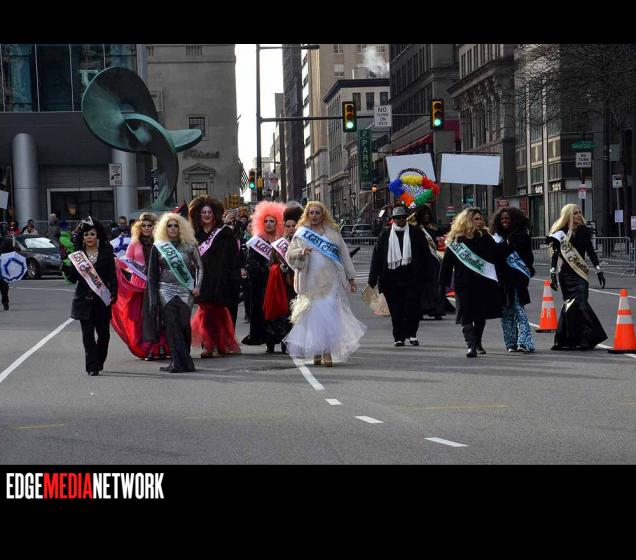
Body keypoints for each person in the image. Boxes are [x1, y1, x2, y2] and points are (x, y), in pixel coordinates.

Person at [284, 201, 366, 366]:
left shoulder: (333, 233)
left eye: (317, 213)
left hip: (331, 280)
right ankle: (317, 350)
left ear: (323, 215)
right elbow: (289, 255)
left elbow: (344, 255)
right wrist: (301, 252)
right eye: (311, 213)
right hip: (310, 280)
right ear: (307, 215)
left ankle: (327, 351)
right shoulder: (301, 233)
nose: (314, 216)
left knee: (329, 313)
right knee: (315, 315)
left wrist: (351, 278)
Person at [439, 207, 504, 358]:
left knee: (480, 316)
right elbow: (446, 265)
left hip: (483, 282)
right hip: (464, 284)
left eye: (480, 219)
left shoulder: (485, 237)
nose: (480, 221)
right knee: (466, 315)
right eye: (476, 219)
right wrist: (442, 285)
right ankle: (471, 345)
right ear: (467, 221)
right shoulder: (456, 241)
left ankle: (478, 342)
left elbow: (497, 256)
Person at [143, 213, 203, 373]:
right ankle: (178, 362)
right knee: (171, 326)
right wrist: (153, 297)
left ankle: (183, 360)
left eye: (176, 225)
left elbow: (200, 267)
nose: (173, 228)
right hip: (165, 289)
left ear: (181, 227)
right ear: (164, 228)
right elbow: (152, 274)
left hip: (185, 290)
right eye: (169, 226)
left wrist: (197, 286)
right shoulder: (159, 246)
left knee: (184, 326)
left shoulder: (190, 245)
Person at [60, 217, 118, 376]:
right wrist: (65, 268)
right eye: (86, 234)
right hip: (83, 301)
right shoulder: (78, 256)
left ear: (98, 235)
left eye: (92, 234)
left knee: (104, 336)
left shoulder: (106, 252)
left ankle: (99, 361)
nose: (89, 237)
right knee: (88, 337)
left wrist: (114, 291)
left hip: (102, 299)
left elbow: (112, 275)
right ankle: (92, 366)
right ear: (82, 237)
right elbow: (73, 279)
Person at [369, 206, 433, 346]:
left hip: (412, 278)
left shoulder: (416, 233)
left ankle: (412, 334)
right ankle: (399, 337)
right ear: (393, 220)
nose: (400, 220)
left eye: (403, 217)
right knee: (396, 311)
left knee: (413, 309)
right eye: (397, 218)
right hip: (391, 279)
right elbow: (377, 257)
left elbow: (425, 255)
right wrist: (372, 278)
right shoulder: (385, 235)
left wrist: (429, 275)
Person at [110, 212, 170, 360]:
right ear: (139, 227)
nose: (147, 228)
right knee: (143, 318)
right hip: (139, 285)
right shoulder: (134, 243)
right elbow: (127, 261)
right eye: (144, 225)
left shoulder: (161, 242)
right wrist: (117, 263)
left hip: (158, 283)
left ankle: (162, 346)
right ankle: (148, 348)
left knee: (160, 316)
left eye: (150, 225)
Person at [547, 204, 607, 351]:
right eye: (575, 213)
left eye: (579, 212)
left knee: (582, 305)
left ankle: (587, 338)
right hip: (566, 275)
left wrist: (599, 270)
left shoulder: (584, 232)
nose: (579, 215)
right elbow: (555, 256)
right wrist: (552, 274)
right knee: (569, 306)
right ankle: (565, 340)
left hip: (580, 275)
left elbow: (591, 252)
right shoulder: (560, 234)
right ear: (568, 216)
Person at [188, 195, 241, 358]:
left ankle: (221, 343)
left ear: (214, 214)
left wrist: (235, 275)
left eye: (209, 212)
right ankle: (207, 345)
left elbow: (234, 256)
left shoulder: (225, 232)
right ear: (198, 214)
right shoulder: (194, 234)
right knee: (206, 312)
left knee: (220, 312)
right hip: (203, 278)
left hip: (222, 277)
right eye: (203, 212)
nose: (206, 215)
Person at [242, 201, 289, 353]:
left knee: (283, 311)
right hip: (263, 284)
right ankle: (269, 340)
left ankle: (285, 339)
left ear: (278, 222)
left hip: (281, 283)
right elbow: (251, 263)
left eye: (272, 221)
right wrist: (262, 270)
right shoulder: (257, 242)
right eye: (266, 221)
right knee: (266, 312)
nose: (268, 224)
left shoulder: (283, 242)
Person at [490, 207, 536, 353]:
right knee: (506, 312)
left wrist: (525, 276)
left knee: (518, 309)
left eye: (507, 218)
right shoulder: (496, 237)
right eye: (502, 218)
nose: (504, 221)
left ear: (514, 220)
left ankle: (525, 342)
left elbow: (528, 259)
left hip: (517, 278)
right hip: (502, 279)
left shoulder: (522, 236)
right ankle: (510, 343)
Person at [413, 205, 451, 319]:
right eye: (423, 214)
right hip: (421, 262)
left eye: (427, 214)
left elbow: (443, 231)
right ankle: (421, 310)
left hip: (434, 261)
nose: (426, 216)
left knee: (436, 286)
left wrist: (452, 225)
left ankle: (437, 311)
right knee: (422, 287)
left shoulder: (433, 228)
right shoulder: (415, 230)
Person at [0, 235, 12, 310]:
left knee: (4, 287)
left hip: (4, 267)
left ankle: (5, 302)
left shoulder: (6, 241)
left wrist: (15, 249)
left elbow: (12, 252)